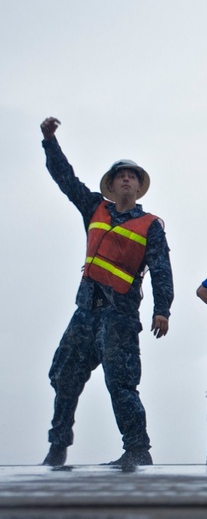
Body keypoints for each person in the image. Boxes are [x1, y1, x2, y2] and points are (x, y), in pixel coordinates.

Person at [39, 117, 174, 469]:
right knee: (64, 376)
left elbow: (161, 269)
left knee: (122, 382)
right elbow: (65, 179)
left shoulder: (150, 227)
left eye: (132, 175)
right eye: (120, 175)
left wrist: (163, 309)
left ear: (138, 186)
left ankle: (137, 450)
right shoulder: (94, 208)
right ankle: (57, 446)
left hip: (120, 316)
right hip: (86, 312)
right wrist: (49, 141)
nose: (126, 178)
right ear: (111, 186)